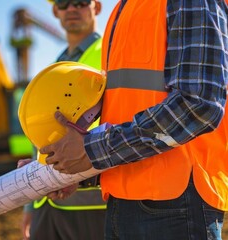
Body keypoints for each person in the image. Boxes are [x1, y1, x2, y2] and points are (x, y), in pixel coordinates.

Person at [40, 0, 228, 239]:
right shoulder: (123, 9)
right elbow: (123, 114)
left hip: (175, 204)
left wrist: (92, 151)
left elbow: (199, 105)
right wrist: (79, 169)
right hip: (122, 199)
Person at [20, 0, 106, 239]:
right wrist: (30, 204)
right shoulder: (53, 67)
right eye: (64, 3)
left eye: (80, 2)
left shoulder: (109, 53)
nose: (71, 9)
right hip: (46, 204)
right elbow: (39, 135)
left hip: (90, 202)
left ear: (96, 7)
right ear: (55, 11)